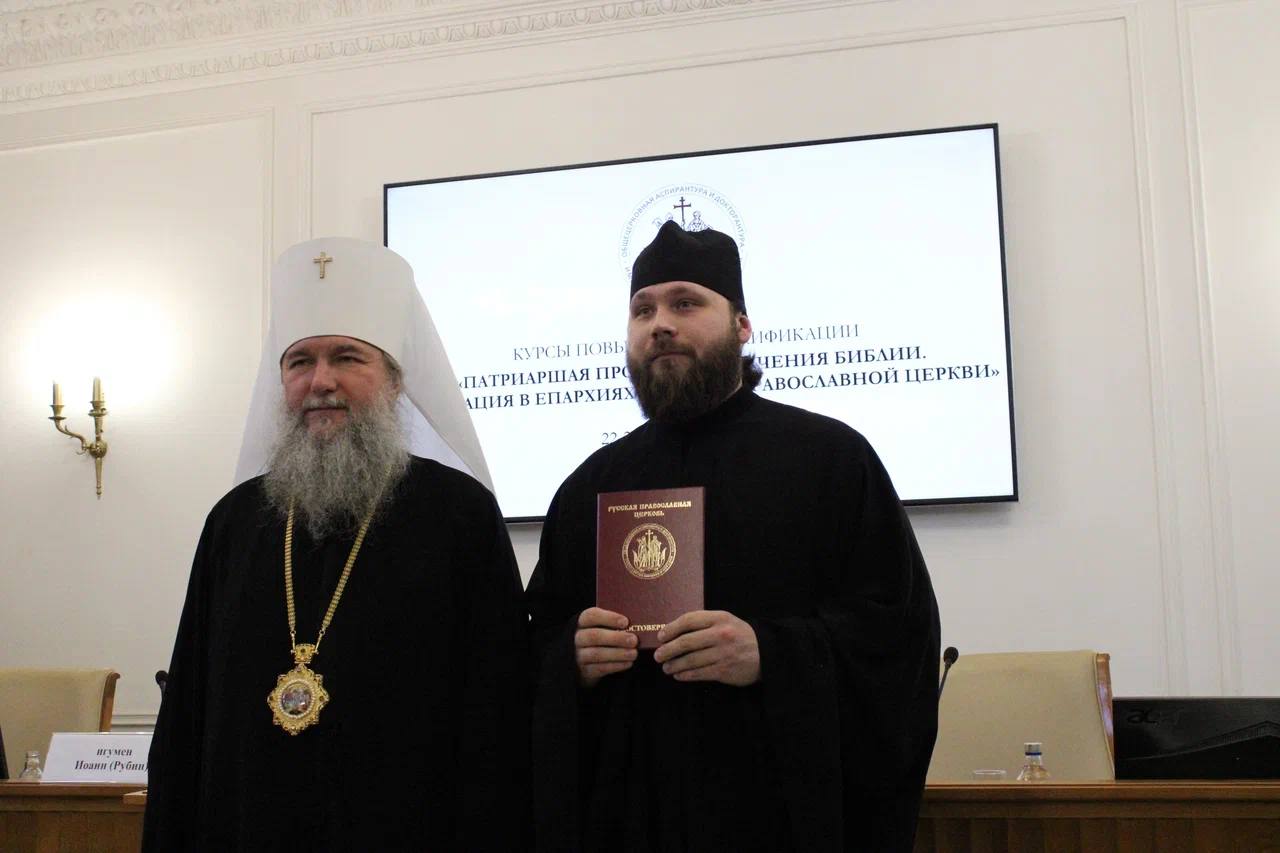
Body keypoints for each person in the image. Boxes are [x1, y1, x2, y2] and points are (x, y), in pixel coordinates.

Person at [527, 221, 940, 853]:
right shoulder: (590, 486)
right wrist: (572, 662)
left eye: (685, 303)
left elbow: (897, 636)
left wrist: (771, 652)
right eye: (643, 310)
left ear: (742, 326)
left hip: (774, 811)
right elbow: (533, 647)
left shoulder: (830, 460)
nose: (660, 325)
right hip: (628, 815)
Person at [144, 237, 529, 851]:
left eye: (347, 358)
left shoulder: (461, 516)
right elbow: (187, 719)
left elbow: (498, 719)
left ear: (395, 382)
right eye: (300, 362)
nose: (321, 381)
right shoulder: (234, 523)